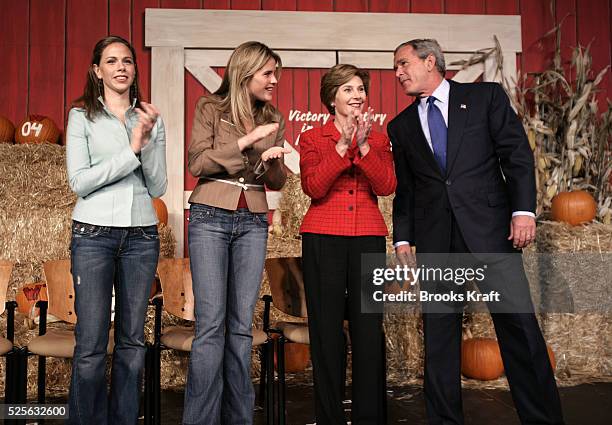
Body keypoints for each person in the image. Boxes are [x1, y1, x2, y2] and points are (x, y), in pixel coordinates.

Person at [388, 39, 564, 425]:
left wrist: (522, 211)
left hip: (489, 233)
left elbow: (516, 153)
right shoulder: (399, 127)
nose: (397, 72)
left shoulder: (484, 97)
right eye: (395, 67)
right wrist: (402, 237)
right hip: (438, 243)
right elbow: (408, 190)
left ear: (430, 60)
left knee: (519, 330)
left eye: (403, 63)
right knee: (440, 341)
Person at [184, 41, 289, 425]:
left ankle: (239, 419)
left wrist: (273, 162)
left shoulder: (274, 116)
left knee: (241, 327)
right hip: (211, 215)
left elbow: (273, 179)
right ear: (245, 73)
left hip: (252, 221)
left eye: (275, 73)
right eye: (268, 73)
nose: (274, 80)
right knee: (212, 325)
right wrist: (247, 141)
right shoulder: (210, 107)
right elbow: (198, 161)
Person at [65, 35, 167, 424]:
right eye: (111, 61)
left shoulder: (150, 118)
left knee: (131, 342)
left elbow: (156, 186)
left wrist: (149, 139)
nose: (121, 67)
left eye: (127, 60)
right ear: (97, 71)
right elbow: (80, 181)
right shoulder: (82, 117)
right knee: (91, 344)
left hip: (141, 235)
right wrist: (132, 149)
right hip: (93, 235)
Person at [299, 64, 397, 425]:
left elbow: (387, 185)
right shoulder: (313, 138)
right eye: (348, 90)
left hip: (367, 237)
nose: (357, 95)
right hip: (323, 237)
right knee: (326, 333)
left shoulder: (381, 138)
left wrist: (366, 145)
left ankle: (370, 417)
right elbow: (313, 187)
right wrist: (342, 147)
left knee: (368, 331)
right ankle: (329, 417)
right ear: (331, 98)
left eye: (360, 89)